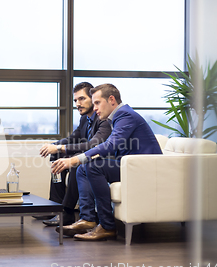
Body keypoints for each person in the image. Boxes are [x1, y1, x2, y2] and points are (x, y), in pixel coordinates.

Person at [52, 83, 162, 240]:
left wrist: (75, 159)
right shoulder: (117, 117)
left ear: (111, 99)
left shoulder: (125, 115)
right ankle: (88, 219)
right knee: (85, 167)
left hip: (143, 169)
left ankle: (107, 226)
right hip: (130, 166)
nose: (95, 108)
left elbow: (110, 145)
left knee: (92, 166)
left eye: (97, 102)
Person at [38, 82, 111, 226]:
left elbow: (93, 145)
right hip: (89, 156)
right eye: (75, 100)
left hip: (104, 160)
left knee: (75, 163)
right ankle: (55, 207)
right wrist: (53, 146)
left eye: (82, 99)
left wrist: (60, 148)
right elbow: (73, 138)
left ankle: (67, 212)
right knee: (57, 157)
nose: (78, 103)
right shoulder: (85, 119)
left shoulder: (104, 120)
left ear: (93, 98)